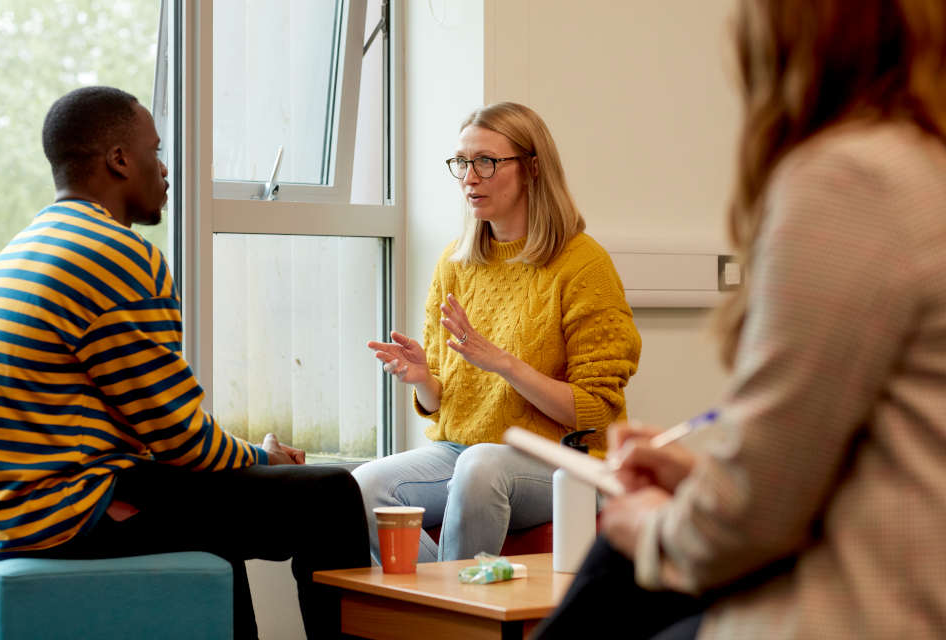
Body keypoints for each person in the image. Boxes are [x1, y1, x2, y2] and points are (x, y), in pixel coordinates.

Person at [535, 0, 946, 638]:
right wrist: (702, 477)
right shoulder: (925, 170)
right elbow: (894, 458)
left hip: (863, 610)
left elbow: (756, 512)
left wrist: (646, 524)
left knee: (614, 560)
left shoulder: (855, 178)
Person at [0, 86, 369, 639]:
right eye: (155, 152)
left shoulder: (22, 249)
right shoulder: (114, 254)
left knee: (218, 514)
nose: (164, 171)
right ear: (119, 159)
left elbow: (147, 430)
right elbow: (182, 442)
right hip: (68, 514)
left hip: (11, 511)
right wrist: (261, 457)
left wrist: (247, 461)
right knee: (328, 494)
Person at [353, 102, 642, 563]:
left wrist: (504, 364)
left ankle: (456, 619)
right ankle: (448, 609)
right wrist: (424, 378)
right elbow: (438, 408)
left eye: (486, 162)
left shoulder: (583, 265)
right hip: (459, 449)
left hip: (565, 460)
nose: (470, 177)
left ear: (531, 168)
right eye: (463, 163)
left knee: (480, 466)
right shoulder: (455, 262)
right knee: (358, 488)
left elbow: (596, 412)